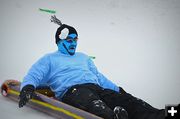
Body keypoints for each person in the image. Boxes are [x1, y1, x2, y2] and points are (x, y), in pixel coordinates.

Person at [18, 16, 164, 119]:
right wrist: (27, 87)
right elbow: (34, 75)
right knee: (92, 101)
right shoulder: (49, 59)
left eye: (75, 39)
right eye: (69, 40)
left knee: (129, 101)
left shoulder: (83, 57)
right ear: (59, 42)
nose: (73, 43)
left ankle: (164, 114)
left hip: (96, 88)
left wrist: (118, 90)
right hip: (73, 91)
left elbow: (99, 77)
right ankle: (114, 117)